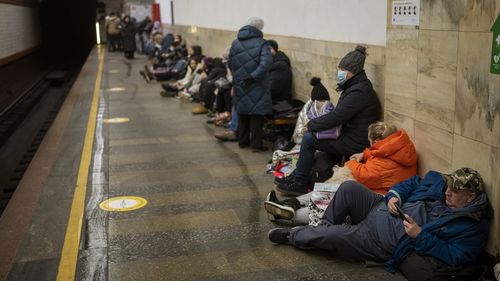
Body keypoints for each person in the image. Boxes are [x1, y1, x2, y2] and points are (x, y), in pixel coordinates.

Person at [268, 167, 491, 280]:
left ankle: (293, 236)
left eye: (455, 192)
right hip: (380, 207)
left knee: (335, 237)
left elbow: (457, 255)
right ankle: (318, 229)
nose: (448, 193)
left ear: (470, 196)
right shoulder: (442, 187)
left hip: (379, 240)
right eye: (448, 188)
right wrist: (395, 195)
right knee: (348, 187)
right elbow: (412, 182)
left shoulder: (473, 225)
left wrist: (420, 235)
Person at [265, 121, 417, 225]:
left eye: (370, 142)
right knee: (333, 190)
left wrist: (352, 162)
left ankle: (286, 213)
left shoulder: (385, 161)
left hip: (378, 201)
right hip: (379, 192)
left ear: (376, 140)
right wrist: (364, 154)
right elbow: (377, 153)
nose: (369, 146)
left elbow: (366, 174)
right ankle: (291, 203)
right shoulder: (399, 148)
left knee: (332, 200)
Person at [276, 45, 381, 195]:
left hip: (354, 141)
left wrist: (311, 125)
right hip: (349, 135)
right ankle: (296, 176)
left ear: (353, 72)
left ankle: (299, 182)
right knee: (312, 138)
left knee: (309, 139)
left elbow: (338, 116)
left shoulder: (359, 92)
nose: (339, 73)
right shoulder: (356, 87)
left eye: (342, 70)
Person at [229, 17, 273, 152]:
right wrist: (253, 77)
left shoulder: (235, 43)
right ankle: (256, 145)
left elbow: (230, 62)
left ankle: (242, 142)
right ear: (259, 28)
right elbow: (266, 63)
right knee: (256, 115)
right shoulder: (262, 44)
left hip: (240, 83)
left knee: (243, 113)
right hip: (257, 84)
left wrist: (238, 77)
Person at [267, 40, 292, 104]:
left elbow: (271, 89)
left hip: (278, 103)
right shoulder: (272, 63)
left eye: (268, 49)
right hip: (272, 100)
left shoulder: (280, 66)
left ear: (273, 50)